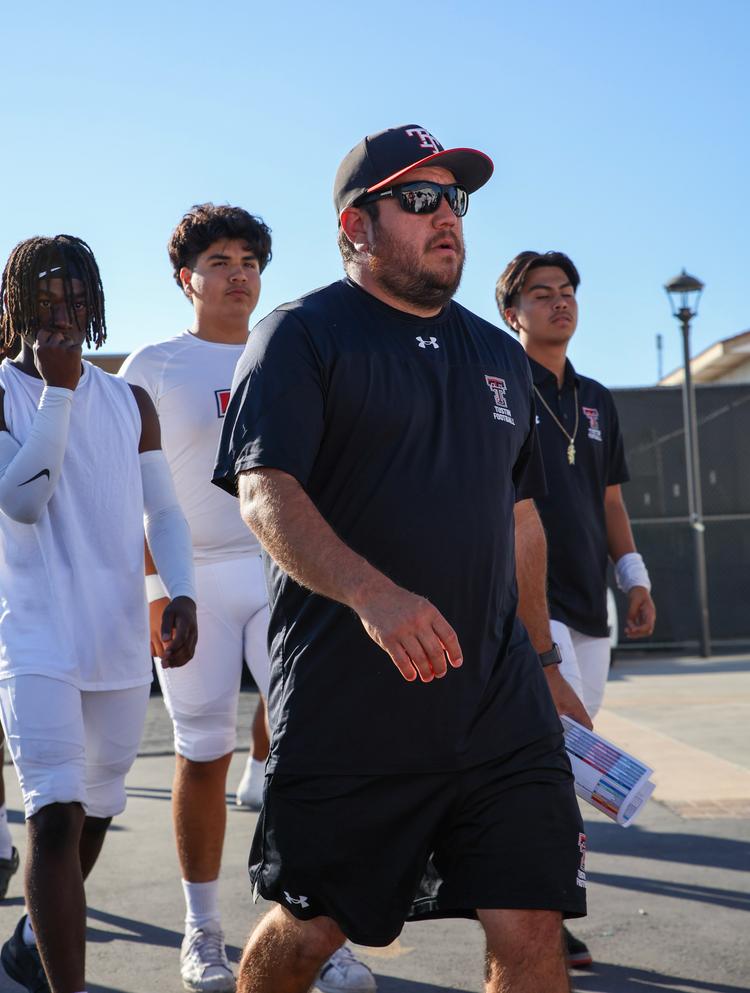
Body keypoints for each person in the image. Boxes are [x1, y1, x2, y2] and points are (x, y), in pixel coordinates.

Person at [213, 124, 587, 993]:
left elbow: (521, 519)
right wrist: (372, 593)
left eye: (454, 198)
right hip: (355, 709)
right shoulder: (301, 335)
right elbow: (264, 490)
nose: (446, 216)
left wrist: (543, 659)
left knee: (533, 921)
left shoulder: (499, 356)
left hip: (500, 706)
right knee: (308, 929)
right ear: (355, 227)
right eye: (419, 199)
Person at [121, 204, 372, 993]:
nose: (238, 272)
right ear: (184, 277)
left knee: (311, 751)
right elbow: (133, 493)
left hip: (280, 571)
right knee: (201, 752)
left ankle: (316, 933)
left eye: (250, 260)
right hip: (191, 578)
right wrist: (159, 592)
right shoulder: (151, 366)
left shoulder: (289, 349)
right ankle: (202, 931)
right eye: (220, 258)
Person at [0, 235, 197, 993]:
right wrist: (55, 393)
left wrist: (178, 591)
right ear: (16, 305)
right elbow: (22, 500)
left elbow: (164, 512)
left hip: (117, 636)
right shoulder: (9, 392)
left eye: (75, 297)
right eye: (47, 299)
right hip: (35, 637)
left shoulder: (130, 401)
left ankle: (29, 939)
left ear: (95, 303)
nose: (63, 312)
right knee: (53, 815)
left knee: (95, 815)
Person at [496, 249, 656, 966]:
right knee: (551, 761)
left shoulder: (597, 398)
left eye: (567, 292)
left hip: (595, 604)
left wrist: (636, 577)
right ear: (513, 312)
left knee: (571, 763)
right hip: (534, 604)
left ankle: (537, 901)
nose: (559, 302)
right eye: (541, 293)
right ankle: (544, 916)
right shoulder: (497, 385)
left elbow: (611, 498)